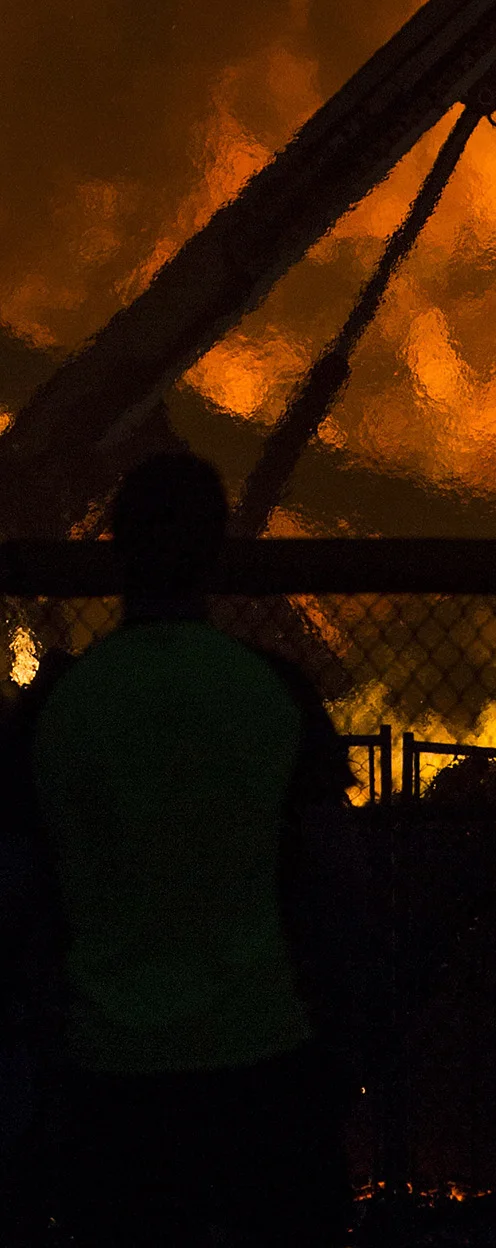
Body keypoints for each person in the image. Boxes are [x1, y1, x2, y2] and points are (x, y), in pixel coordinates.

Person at [29, 448, 353, 1246]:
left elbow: (21, 892)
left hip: (111, 1073)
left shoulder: (59, 708)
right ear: (217, 554)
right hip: (260, 1059)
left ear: (116, 552)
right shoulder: (275, 693)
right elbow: (335, 878)